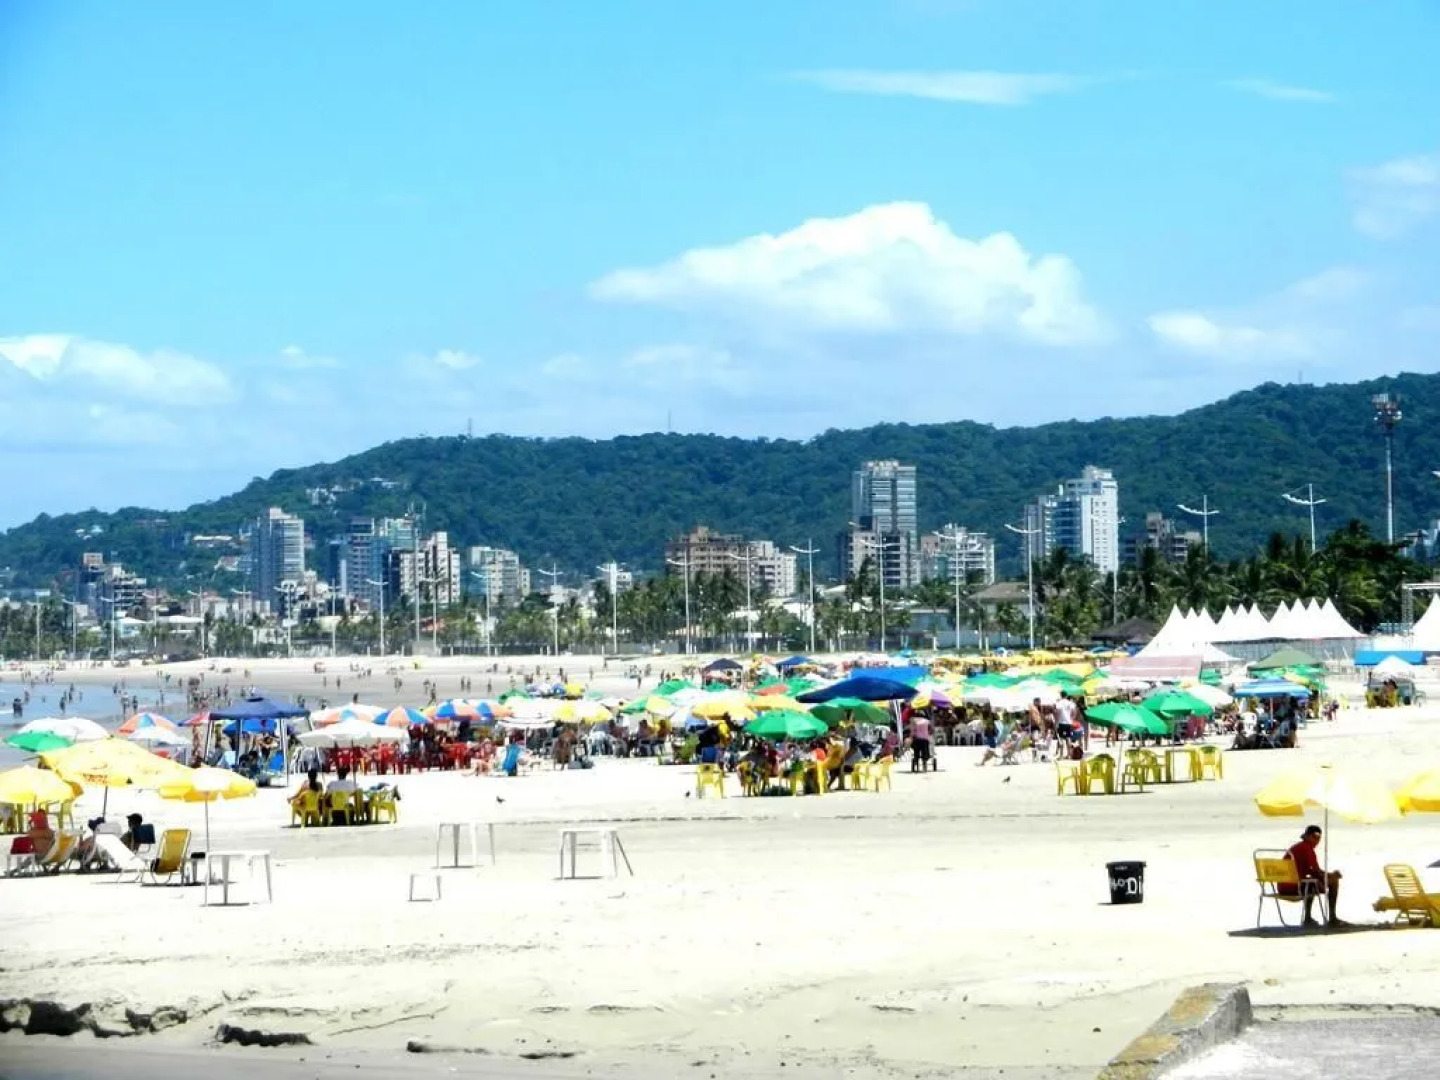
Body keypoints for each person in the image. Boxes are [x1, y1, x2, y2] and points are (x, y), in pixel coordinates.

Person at [1284, 825, 1345, 928]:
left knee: (1312, 882)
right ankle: (1332, 918)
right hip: (1295, 887)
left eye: (1319, 837)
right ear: (1307, 836)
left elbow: (1311, 871)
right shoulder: (1307, 848)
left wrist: (1327, 876)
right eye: (1315, 836)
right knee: (1332, 881)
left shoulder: (1298, 847)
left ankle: (1308, 918)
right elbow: (1316, 872)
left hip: (1284, 886)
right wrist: (1332, 876)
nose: (1317, 840)